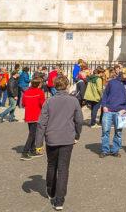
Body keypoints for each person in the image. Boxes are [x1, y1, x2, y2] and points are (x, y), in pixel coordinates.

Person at [36, 74, 83, 211]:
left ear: (55, 86)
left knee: (51, 166)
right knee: (63, 169)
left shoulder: (48, 102)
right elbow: (79, 120)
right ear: (67, 86)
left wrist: (39, 143)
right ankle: (59, 200)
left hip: (52, 138)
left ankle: (51, 191)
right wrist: (77, 135)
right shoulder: (73, 101)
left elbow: (41, 123)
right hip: (67, 138)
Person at [97, 69, 126, 158]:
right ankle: (105, 150)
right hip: (108, 111)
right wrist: (104, 106)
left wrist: (125, 109)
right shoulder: (112, 82)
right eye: (125, 76)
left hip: (121, 112)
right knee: (105, 131)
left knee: (118, 133)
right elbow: (105, 94)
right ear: (121, 74)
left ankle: (115, 150)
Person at [21, 76, 46, 159]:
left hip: (28, 115)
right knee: (32, 134)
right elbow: (43, 105)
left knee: (32, 133)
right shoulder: (40, 92)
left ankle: (32, 150)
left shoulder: (26, 92)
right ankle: (25, 152)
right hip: (36, 115)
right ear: (39, 84)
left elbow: (23, 104)